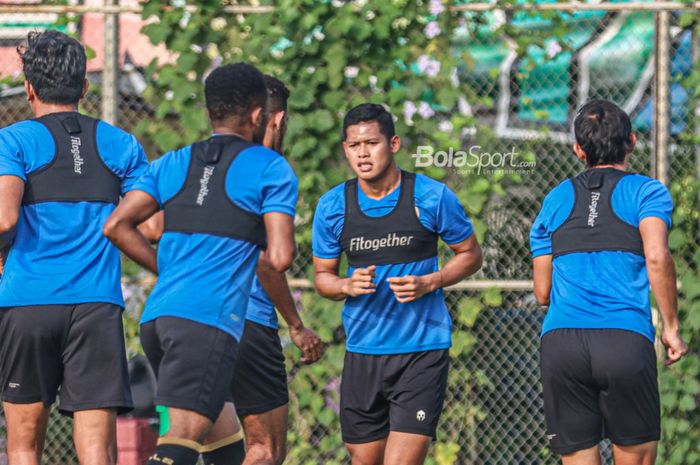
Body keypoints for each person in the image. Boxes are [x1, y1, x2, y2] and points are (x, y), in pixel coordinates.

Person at [103, 63, 298, 465]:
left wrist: (168, 268)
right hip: (207, 322)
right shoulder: (269, 166)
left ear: (210, 112)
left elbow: (118, 225)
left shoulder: (174, 162)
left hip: (159, 320)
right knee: (179, 445)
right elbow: (279, 257)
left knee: (224, 448)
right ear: (259, 116)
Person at [0, 30, 148, 465]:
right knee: (97, 452)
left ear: (28, 88)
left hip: (28, 303)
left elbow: (5, 218)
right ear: (85, 88)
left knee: (24, 447)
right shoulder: (122, 144)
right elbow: (152, 222)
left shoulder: (14, 140)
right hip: (95, 307)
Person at [312, 103, 483, 465]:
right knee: (364, 459)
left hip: (421, 349)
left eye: (371, 143)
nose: (362, 153)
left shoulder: (431, 197)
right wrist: (345, 285)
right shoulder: (332, 207)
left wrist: (431, 281)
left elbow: (470, 254)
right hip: (363, 351)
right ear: (345, 149)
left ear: (394, 144)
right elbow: (322, 279)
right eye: (354, 145)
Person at [530, 99, 688, 465]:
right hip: (623, 339)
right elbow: (656, 256)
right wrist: (671, 328)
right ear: (632, 141)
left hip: (562, 343)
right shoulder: (646, 192)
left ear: (578, 150)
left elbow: (542, 293)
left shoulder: (555, 199)